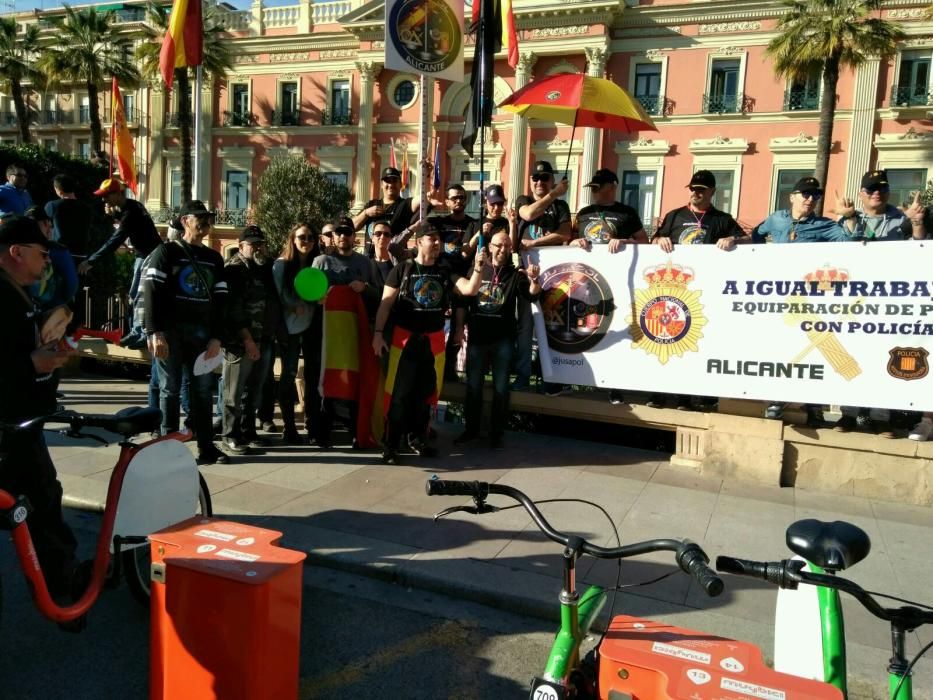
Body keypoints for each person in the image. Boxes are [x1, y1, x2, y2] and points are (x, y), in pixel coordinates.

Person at [0, 216, 78, 608]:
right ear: (16, 252)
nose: (47, 261)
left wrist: (49, 349)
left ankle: (59, 586)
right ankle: (62, 595)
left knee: (42, 504)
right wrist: (33, 363)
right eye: (42, 253)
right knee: (44, 504)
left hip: (20, 425)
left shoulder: (17, 291)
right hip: (9, 430)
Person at [372, 221, 487, 464]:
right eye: (432, 238)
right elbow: (385, 304)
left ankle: (417, 440)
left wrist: (478, 269)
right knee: (398, 395)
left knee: (426, 395)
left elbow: (469, 290)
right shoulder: (402, 269)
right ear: (419, 242)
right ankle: (391, 445)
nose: (437, 243)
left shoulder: (445, 270)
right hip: (404, 341)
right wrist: (378, 333)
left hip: (433, 343)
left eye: (438, 239)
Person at [751, 177, 847, 428]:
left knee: (814, 350)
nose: (810, 198)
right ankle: (776, 400)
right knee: (780, 348)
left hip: (812, 299)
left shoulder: (825, 225)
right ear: (791, 197)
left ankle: (813, 406)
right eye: (804, 193)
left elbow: (849, 243)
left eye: (815, 195)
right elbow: (756, 234)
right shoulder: (777, 218)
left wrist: (848, 218)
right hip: (778, 296)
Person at [651, 170, 747, 409]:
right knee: (668, 342)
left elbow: (749, 240)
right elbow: (654, 239)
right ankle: (663, 394)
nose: (696, 193)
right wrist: (658, 241)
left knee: (699, 344)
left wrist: (734, 240)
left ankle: (698, 396)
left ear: (713, 192)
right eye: (693, 188)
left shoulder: (722, 219)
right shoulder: (674, 216)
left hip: (706, 294)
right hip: (674, 291)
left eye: (702, 189)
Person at [143, 200, 228, 466]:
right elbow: (151, 293)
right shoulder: (166, 252)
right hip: (170, 332)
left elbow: (221, 301)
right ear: (184, 221)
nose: (205, 221)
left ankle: (206, 447)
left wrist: (217, 337)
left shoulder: (214, 258)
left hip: (202, 335)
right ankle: (167, 448)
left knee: (203, 391)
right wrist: (154, 331)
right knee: (169, 389)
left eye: (207, 217)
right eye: (198, 217)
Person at [570, 168, 648, 404]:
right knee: (583, 330)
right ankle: (574, 377)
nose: (593, 191)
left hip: (615, 284)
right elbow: (568, 240)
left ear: (612, 187)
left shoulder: (627, 213)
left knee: (615, 331)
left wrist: (625, 241)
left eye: (598, 187)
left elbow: (645, 241)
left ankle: (615, 386)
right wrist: (574, 241)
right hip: (585, 284)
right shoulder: (584, 213)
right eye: (592, 188)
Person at [457, 230, 540, 449]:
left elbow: (532, 295)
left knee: (501, 388)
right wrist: (460, 328)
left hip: (503, 340)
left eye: (506, 246)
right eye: (499, 245)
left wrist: (534, 281)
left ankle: (497, 433)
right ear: (490, 247)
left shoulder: (516, 274)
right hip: (478, 338)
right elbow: (464, 299)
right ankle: (471, 429)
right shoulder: (478, 269)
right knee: (473, 386)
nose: (503, 250)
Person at [313, 217, 382, 447]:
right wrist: (318, 298)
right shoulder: (320, 262)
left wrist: (365, 288)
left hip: (355, 334)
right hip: (327, 335)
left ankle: (356, 431)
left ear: (355, 236)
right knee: (326, 380)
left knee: (355, 380)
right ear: (333, 236)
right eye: (339, 232)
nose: (343, 236)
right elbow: (310, 295)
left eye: (348, 232)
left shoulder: (365, 263)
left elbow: (378, 296)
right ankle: (322, 434)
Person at [80, 177, 162, 349]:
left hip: (150, 256)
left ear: (118, 194)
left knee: (140, 295)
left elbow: (116, 240)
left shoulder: (130, 212)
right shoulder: (132, 206)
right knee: (134, 293)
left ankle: (141, 333)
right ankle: (136, 331)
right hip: (144, 255)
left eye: (107, 196)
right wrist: (114, 214)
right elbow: (130, 223)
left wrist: (92, 260)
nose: (104, 200)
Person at [515, 160, 571, 394]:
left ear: (551, 180)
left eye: (545, 178)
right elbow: (528, 214)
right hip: (525, 276)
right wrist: (554, 194)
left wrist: (536, 242)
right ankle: (523, 376)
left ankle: (552, 377)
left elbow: (565, 233)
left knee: (551, 328)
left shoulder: (562, 207)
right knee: (525, 328)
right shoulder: (523, 200)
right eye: (535, 178)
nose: (539, 182)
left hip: (555, 277)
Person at [220, 225, 275, 455]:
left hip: (261, 339)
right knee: (233, 392)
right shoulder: (233, 269)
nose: (257, 247)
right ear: (241, 245)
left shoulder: (259, 268)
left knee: (254, 391)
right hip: (239, 342)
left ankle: (248, 431)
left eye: (260, 243)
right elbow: (233, 310)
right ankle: (229, 436)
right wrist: (247, 340)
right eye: (253, 244)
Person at [273, 222, 324, 445]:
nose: (307, 242)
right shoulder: (281, 265)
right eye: (302, 237)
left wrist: (319, 299)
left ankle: (313, 427)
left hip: (313, 327)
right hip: (289, 329)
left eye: (311, 238)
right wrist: (294, 304)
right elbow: (278, 297)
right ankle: (289, 427)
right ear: (293, 239)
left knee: (313, 379)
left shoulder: (317, 265)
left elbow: (319, 292)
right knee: (288, 376)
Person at [433, 183, 479, 382]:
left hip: (464, 281)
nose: (458, 201)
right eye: (454, 198)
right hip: (442, 278)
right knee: (436, 325)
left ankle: (451, 370)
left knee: (459, 328)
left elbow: (468, 254)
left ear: (466, 199)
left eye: (461, 197)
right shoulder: (440, 222)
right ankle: (435, 368)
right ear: (447, 201)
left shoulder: (473, 224)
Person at [352, 165, 443, 254]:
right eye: (387, 181)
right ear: (381, 185)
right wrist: (365, 213)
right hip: (371, 260)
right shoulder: (371, 204)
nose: (391, 185)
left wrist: (426, 184)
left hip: (394, 261)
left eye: (394, 181)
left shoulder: (404, 204)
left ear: (400, 185)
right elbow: (353, 226)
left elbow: (418, 198)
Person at [836, 170, 927, 241]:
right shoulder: (849, 218)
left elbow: (917, 248)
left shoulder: (902, 218)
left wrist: (917, 223)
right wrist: (850, 218)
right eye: (871, 189)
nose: (877, 192)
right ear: (860, 195)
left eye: (882, 188)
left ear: (888, 193)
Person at [45, 173, 92, 257]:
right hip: (81, 253)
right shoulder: (86, 207)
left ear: (58, 190)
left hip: (60, 252)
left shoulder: (53, 206)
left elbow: (44, 226)